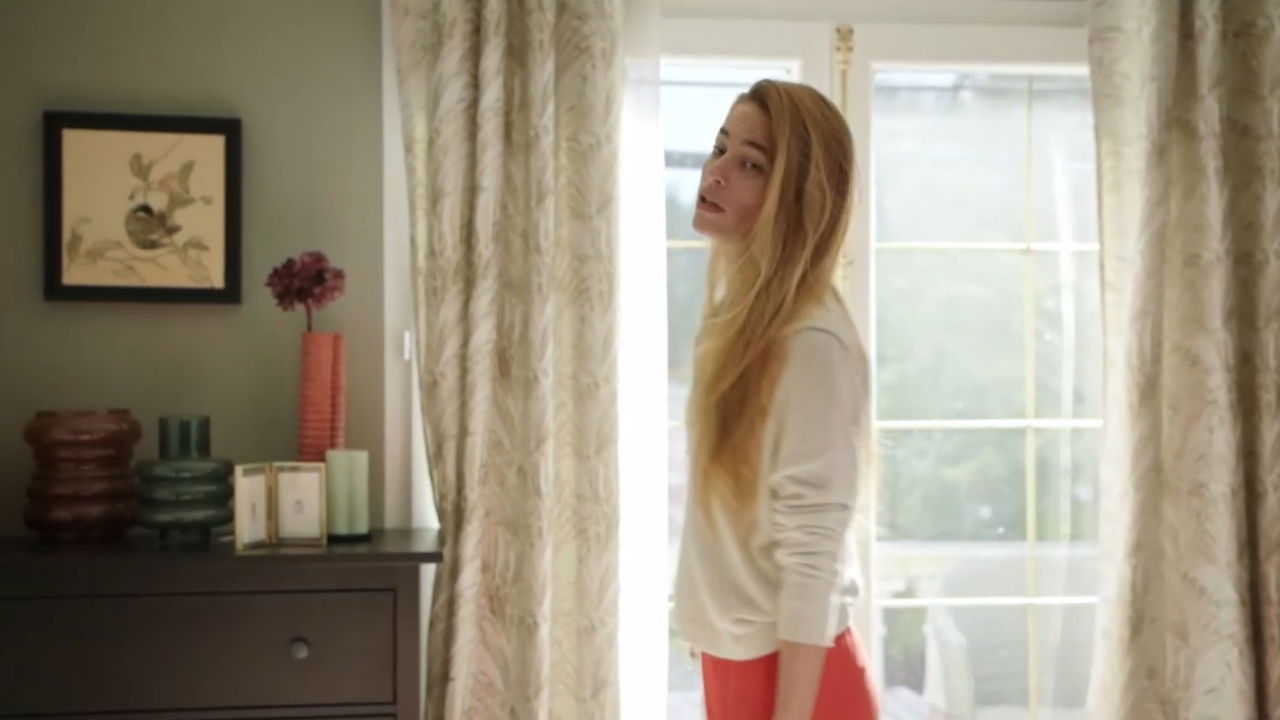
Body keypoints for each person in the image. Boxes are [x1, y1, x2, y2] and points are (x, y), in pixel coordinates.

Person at [673, 79, 876, 720]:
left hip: (793, 684)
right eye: (720, 149)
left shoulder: (810, 340)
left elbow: (814, 552)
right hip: (743, 664)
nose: (716, 172)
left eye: (752, 165)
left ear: (798, 196)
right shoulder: (738, 321)